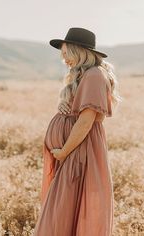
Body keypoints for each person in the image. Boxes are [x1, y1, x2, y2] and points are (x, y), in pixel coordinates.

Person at [33, 27, 122, 236]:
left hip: (79, 152)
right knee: (64, 208)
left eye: (66, 54)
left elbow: (86, 121)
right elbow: (81, 113)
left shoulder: (93, 75)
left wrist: (63, 152)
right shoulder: (86, 75)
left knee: (64, 209)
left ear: (78, 51)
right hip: (74, 150)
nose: (64, 60)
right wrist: (64, 107)